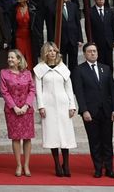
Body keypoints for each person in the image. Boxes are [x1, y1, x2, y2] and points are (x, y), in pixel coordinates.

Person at [75, 40, 114, 179]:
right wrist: (84, 110)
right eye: (90, 51)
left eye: (95, 51)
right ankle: (98, 168)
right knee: (94, 141)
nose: (93, 53)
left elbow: (112, 91)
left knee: (107, 141)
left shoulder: (105, 68)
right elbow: (79, 92)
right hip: (90, 112)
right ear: (84, 54)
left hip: (106, 111)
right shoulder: (79, 70)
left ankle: (110, 168)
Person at [36, 41, 78, 177]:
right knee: (53, 134)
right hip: (48, 105)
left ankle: (66, 164)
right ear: (45, 53)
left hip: (63, 104)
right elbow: (38, 90)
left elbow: (69, 88)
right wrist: (41, 106)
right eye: (49, 51)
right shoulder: (39, 69)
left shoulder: (63, 68)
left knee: (65, 135)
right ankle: (56, 164)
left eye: (54, 51)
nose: (52, 53)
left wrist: (72, 105)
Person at [1, 47, 37, 177]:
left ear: (18, 60)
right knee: (16, 138)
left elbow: (32, 90)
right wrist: (14, 107)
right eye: (9, 57)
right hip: (12, 110)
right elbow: (4, 91)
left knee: (27, 138)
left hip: (27, 110)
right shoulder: (4, 73)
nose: (9, 59)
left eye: (12, 57)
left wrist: (27, 105)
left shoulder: (27, 73)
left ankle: (26, 165)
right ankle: (18, 165)